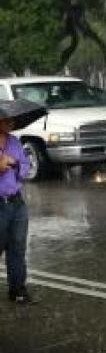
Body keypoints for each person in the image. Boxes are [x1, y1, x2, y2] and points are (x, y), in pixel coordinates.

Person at [0, 115, 37, 304]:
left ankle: (18, 290)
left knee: (17, 248)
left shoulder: (14, 141)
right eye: (7, 120)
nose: (11, 124)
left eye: (13, 120)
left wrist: (14, 164)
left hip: (16, 202)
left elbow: (25, 167)